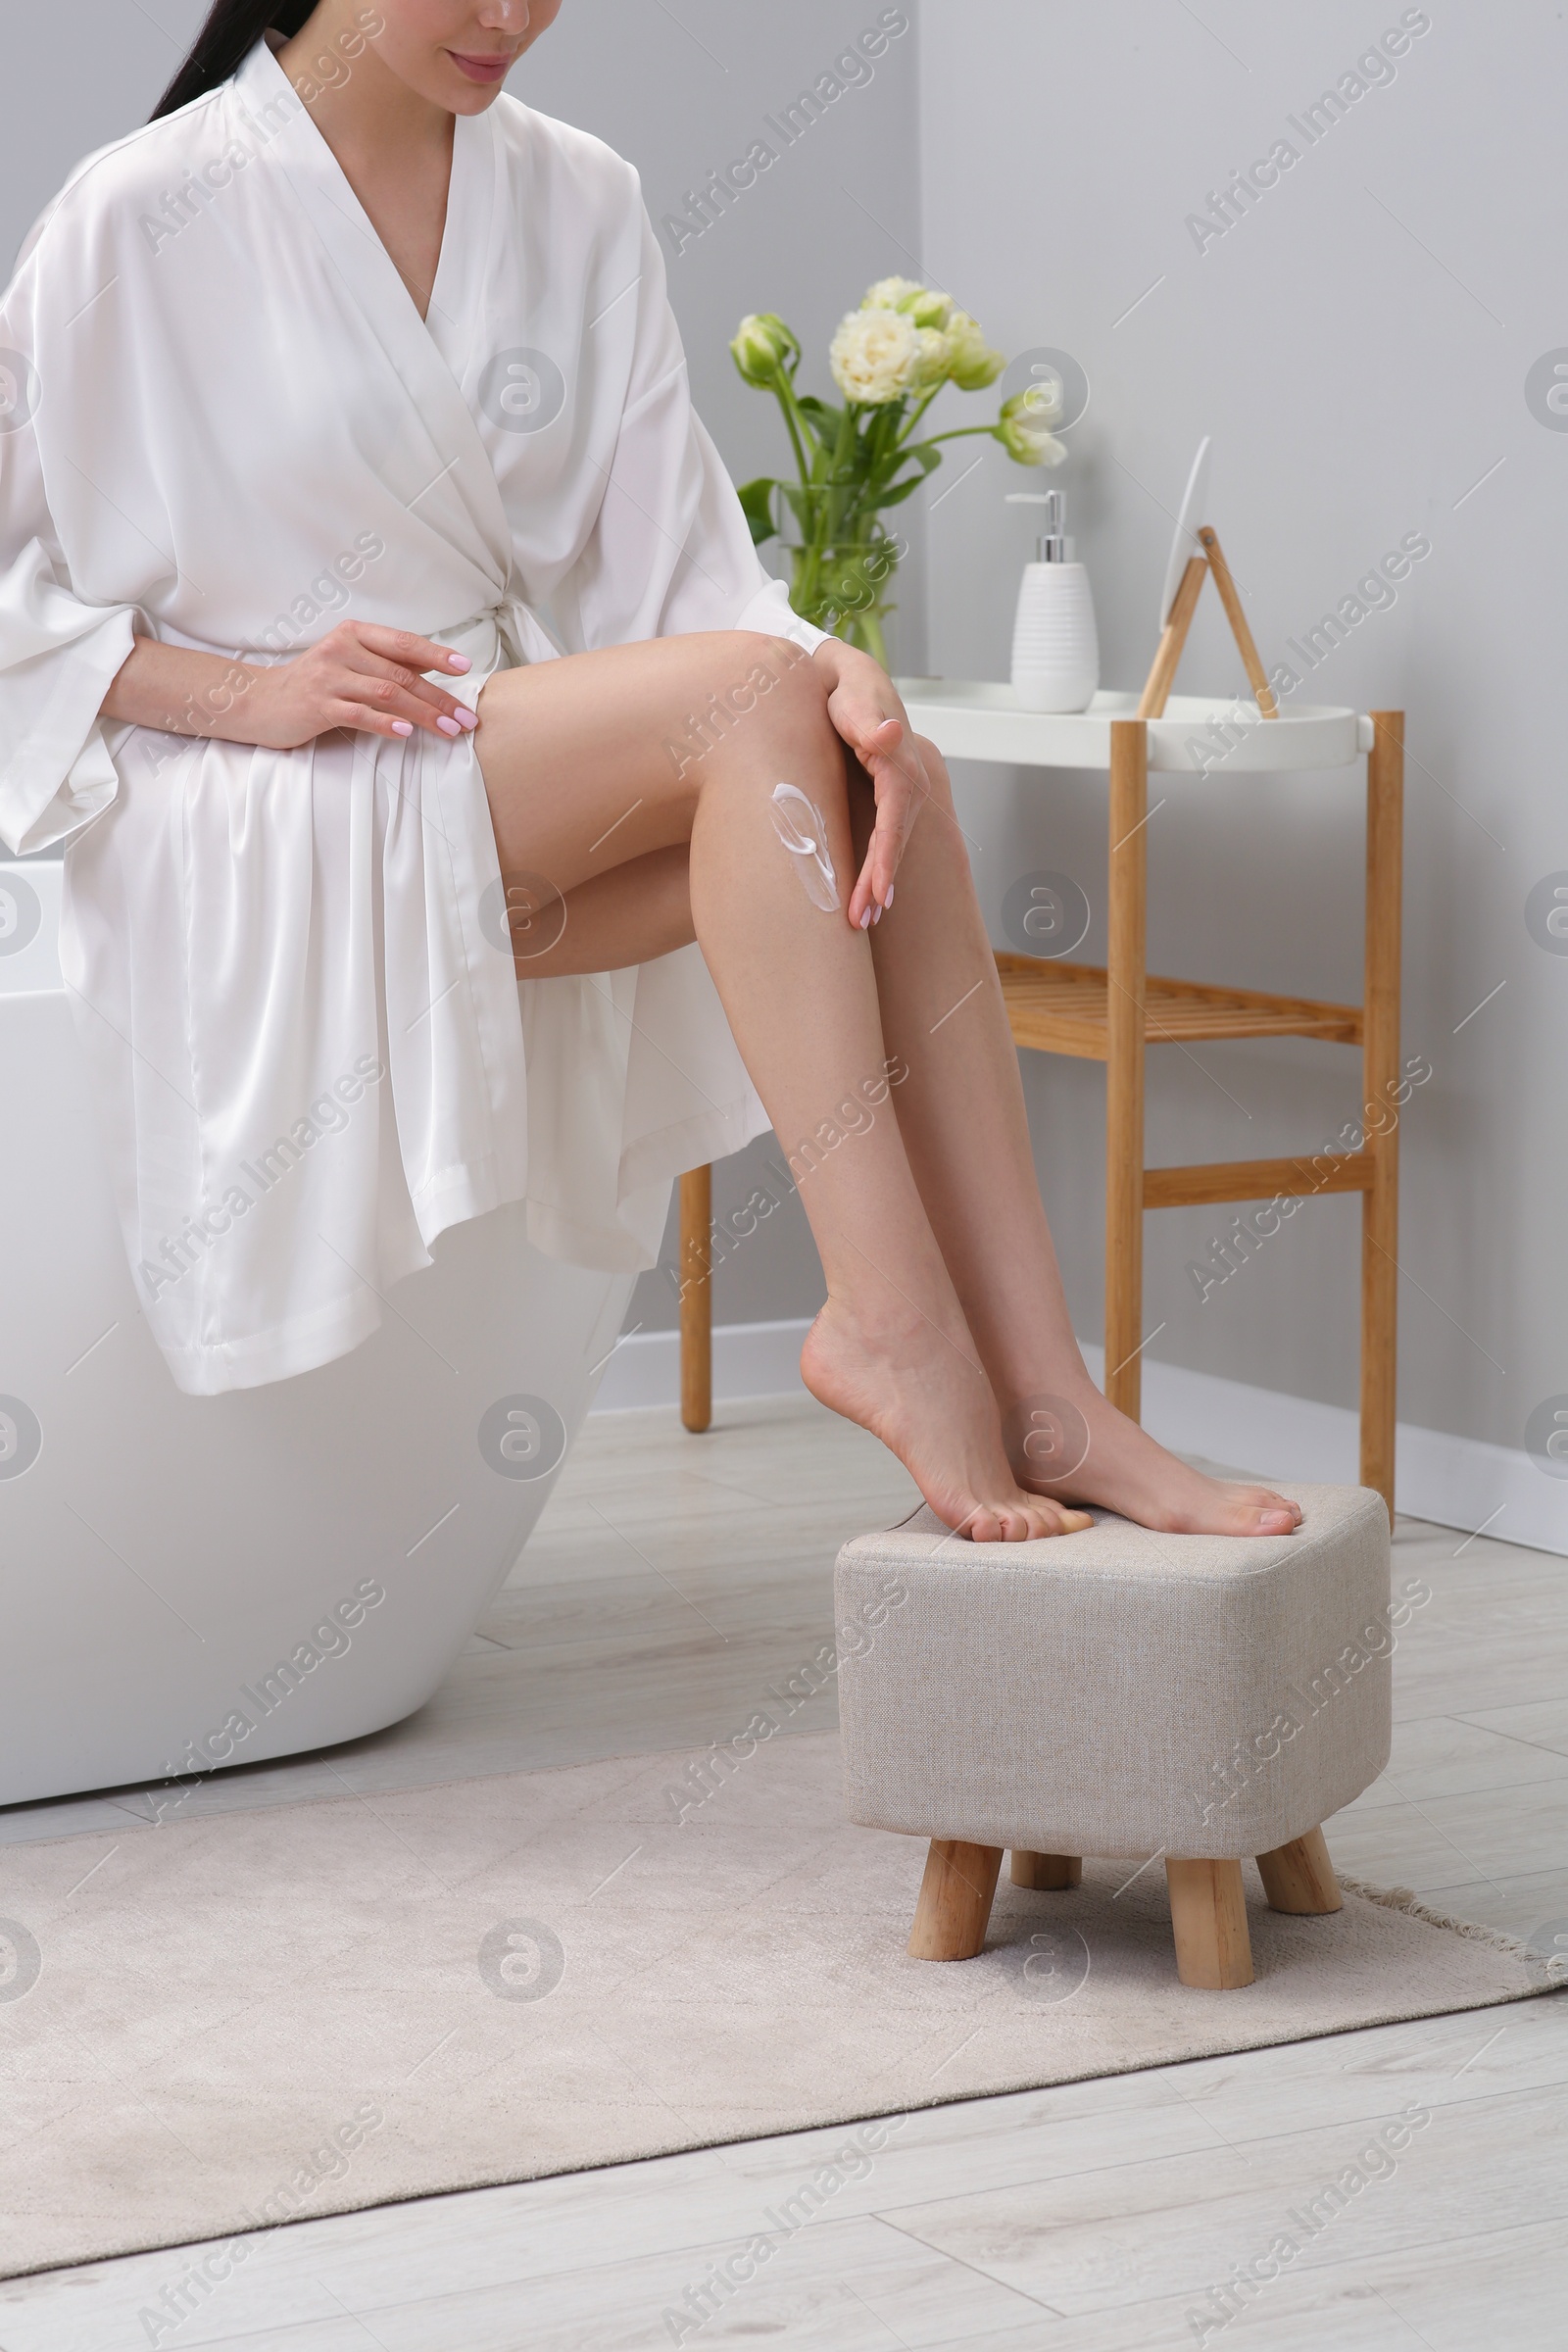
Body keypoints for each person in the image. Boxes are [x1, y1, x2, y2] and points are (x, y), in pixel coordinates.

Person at [0, 0, 1301, 1544]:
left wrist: (840, 672)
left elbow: (688, 582)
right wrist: (255, 693)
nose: (512, 18)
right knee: (773, 706)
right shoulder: (145, 213)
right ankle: (889, 1324)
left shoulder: (580, 195)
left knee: (898, 776)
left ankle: (1051, 1400)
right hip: (263, 806)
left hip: (492, 776)